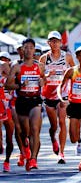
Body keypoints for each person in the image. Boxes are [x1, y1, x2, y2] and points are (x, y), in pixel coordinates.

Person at [5, 38, 45, 171]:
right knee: (24, 132)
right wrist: (20, 85)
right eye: (26, 47)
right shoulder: (16, 66)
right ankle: (26, 148)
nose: (28, 50)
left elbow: (43, 78)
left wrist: (42, 82)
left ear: (34, 50)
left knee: (34, 128)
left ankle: (33, 159)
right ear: (22, 50)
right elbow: (7, 84)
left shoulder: (39, 66)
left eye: (31, 48)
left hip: (35, 100)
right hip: (22, 101)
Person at [39, 31, 75, 164]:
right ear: (48, 43)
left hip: (63, 94)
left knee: (62, 123)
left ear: (61, 43)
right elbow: (39, 78)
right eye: (52, 41)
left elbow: (75, 72)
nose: (54, 43)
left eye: (57, 41)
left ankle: (62, 153)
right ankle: (53, 137)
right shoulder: (43, 59)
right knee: (54, 125)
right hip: (49, 95)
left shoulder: (67, 57)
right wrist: (47, 75)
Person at [58, 46, 81, 171]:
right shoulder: (71, 71)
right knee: (73, 137)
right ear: (77, 57)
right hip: (74, 105)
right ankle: (79, 141)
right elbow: (60, 86)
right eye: (80, 55)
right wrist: (62, 98)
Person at [0, 52, 14, 172]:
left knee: (10, 137)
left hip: (9, 107)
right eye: (2, 59)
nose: (4, 62)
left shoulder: (11, 73)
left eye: (6, 60)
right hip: (0, 107)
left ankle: (7, 161)